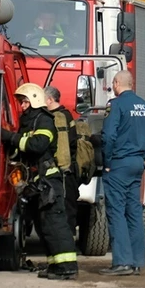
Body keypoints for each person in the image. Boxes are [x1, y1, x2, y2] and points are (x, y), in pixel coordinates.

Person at [1, 83, 78, 280]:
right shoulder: (29, 122)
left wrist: (11, 138)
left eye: (25, 101)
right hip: (37, 183)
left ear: (35, 100)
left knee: (56, 225)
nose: (22, 105)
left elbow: (37, 145)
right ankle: (55, 266)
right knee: (44, 226)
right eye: (21, 102)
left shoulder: (44, 121)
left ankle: (67, 267)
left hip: (49, 182)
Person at [100, 70, 145, 276]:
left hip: (118, 164)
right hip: (136, 164)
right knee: (134, 212)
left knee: (116, 212)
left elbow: (108, 135)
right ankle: (136, 261)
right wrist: (141, 157)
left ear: (116, 83)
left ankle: (122, 262)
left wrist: (107, 162)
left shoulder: (116, 105)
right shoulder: (144, 105)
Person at [44, 86, 80, 238]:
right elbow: (73, 143)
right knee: (69, 208)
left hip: (59, 170)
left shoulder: (53, 118)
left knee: (62, 209)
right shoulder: (68, 115)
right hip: (70, 170)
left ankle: (65, 243)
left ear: (50, 100)